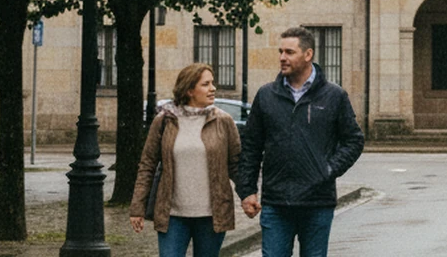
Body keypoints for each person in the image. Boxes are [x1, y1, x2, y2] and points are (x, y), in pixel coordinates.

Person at [235, 26, 365, 257]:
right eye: (280, 51)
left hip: (317, 202)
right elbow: (251, 146)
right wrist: (247, 190)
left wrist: (329, 169)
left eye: (289, 52)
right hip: (276, 202)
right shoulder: (266, 96)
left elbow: (353, 140)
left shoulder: (334, 96)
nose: (282, 58)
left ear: (308, 55)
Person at [130, 63, 242, 257]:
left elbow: (236, 165)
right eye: (206, 84)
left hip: (211, 215)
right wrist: (137, 208)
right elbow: (147, 165)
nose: (213, 88)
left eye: (212, 83)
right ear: (190, 90)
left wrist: (248, 196)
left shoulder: (223, 121)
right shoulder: (165, 120)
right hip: (173, 215)